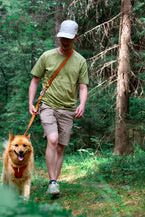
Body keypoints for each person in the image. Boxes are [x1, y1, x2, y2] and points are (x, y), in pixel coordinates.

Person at [29, 20, 89, 195]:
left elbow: (83, 87)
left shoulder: (80, 61)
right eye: (62, 38)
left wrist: (82, 104)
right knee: (53, 140)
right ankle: (52, 181)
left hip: (68, 108)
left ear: (75, 38)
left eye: (68, 39)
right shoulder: (47, 56)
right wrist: (31, 103)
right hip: (47, 105)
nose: (65, 42)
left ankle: (54, 183)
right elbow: (35, 80)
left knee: (61, 147)